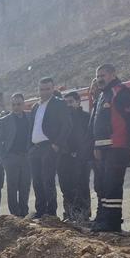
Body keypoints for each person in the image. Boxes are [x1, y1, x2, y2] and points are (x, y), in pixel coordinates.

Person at [89, 64, 130, 232]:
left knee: (112, 185)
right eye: (97, 76)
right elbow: (97, 125)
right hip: (103, 150)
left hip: (117, 148)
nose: (99, 79)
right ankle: (103, 219)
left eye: (103, 75)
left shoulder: (121, 92)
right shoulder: (102, 96)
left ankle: (112, 223)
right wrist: (94, 145)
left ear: (113, 74)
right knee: (102, 186)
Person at [28, 77, 70, 218]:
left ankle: (50, 213)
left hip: (49, 147)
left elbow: (66, 126)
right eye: (41, 89)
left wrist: (56, 144)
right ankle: (40, 211)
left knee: (48, 180)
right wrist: (30, 146)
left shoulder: (59, 104)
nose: (44, 92)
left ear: (53, 89)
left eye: (47, 89)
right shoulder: (35, 106)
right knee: (37, 181)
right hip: (35, 148)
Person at [0, 92, 32, 216]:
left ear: (23, 104)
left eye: (19, 104)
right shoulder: (4, 120)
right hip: (11, 158)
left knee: (25, 186)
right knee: (12, 187)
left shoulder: (30, 117)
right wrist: (4, 157)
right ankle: (15, 214)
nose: (16, 106)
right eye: (14, 104)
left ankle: (24, 212)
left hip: (26, 157)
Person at [58, 91, 92, 222]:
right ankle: (70, 213)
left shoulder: (85, 117)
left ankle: (84, 214)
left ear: (78, 102)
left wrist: (80, 152)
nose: (68, 105)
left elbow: (88, 137)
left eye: (71, 102)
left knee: (81, 185)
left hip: (81, 158)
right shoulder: (62, 119)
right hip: (64, 157)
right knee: (66, 186)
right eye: (66, 103)